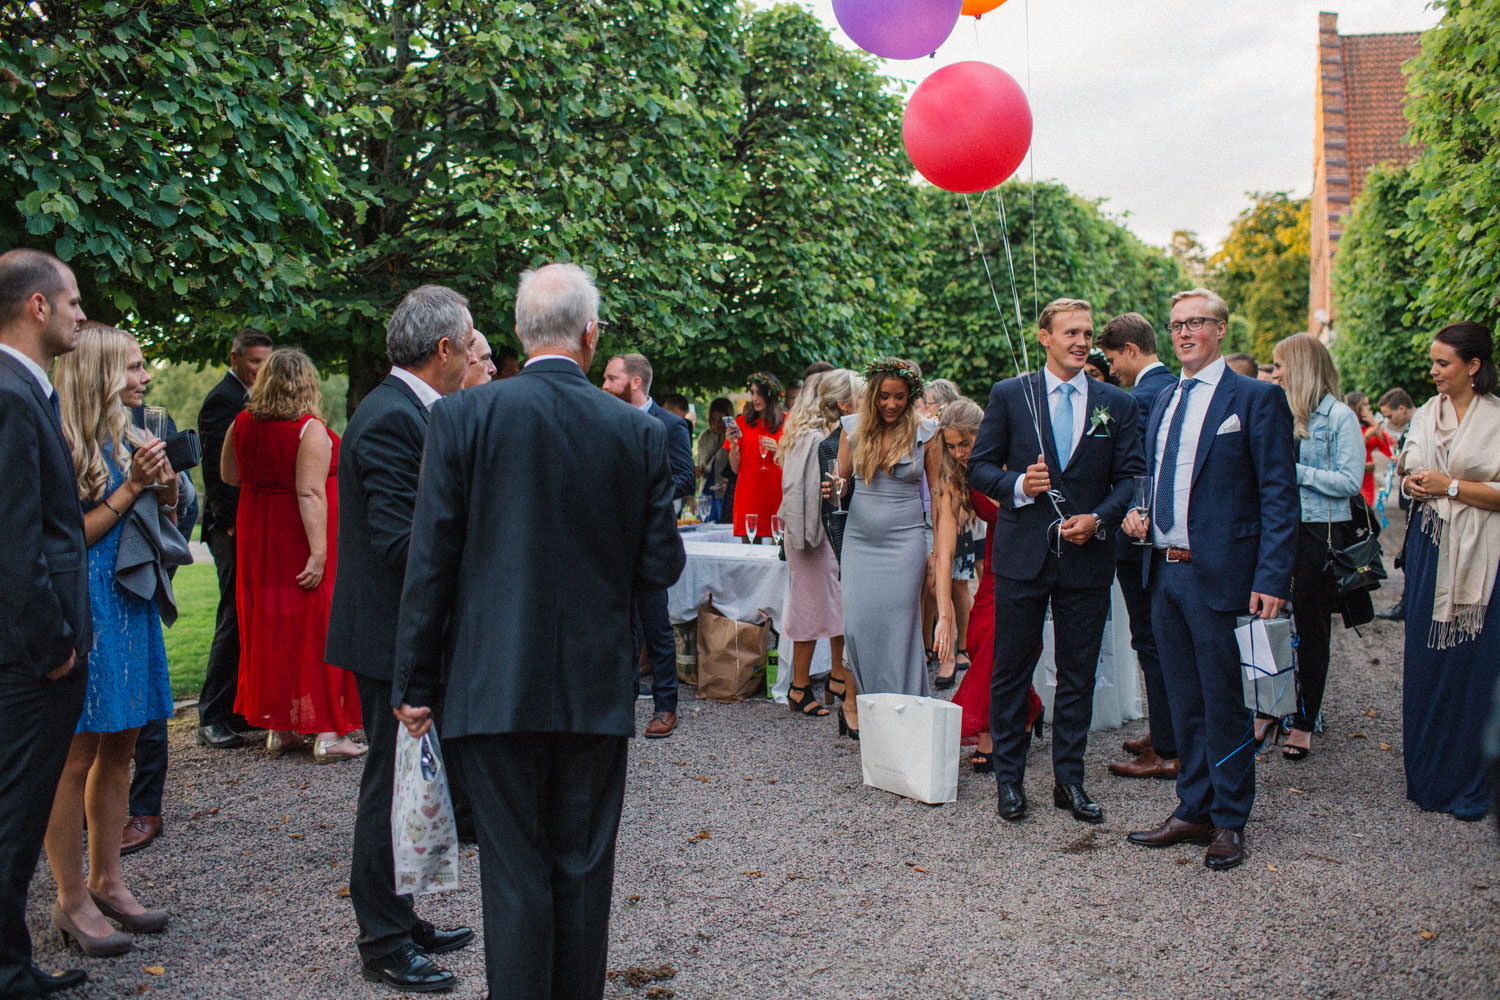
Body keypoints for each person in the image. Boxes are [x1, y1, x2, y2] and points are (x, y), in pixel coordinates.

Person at [391, 263, 683, 1000]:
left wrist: (414, 682)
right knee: (583, 868)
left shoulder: (461, 418)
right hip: (592, 681)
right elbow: (660, 565)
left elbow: (432, 563)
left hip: (492, 679)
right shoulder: (636, 431)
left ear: (520, 334)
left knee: (514, 872)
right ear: (591, 335)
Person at [324, 285, 476, 992]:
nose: (477, 351)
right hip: (389, 633)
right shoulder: (390, 419)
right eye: (469, 340)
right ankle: (381, 939)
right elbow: (396, 539)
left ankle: (400, 914)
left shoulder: (413, 410)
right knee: (388, 785)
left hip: (402, 629)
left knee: (408, 781)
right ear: (442, 348)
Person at [1122, 287, 1298, 871]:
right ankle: (1192, 807)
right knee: (1183, 699)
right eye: (1175, 324)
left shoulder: (1255, 398)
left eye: (1195, 322)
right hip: (1164, 573)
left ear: (1221, 329)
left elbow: (1279, 496)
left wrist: (1273, 576)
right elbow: (1155, 474)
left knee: (1225, 701)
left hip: (1223, 576)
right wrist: (1140, 514)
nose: (1183, 332)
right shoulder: (1167, 398)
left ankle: (1229, 819)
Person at [967, 298, 1144, 825]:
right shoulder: (1009, 394)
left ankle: (1070, 780)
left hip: (1087, 559)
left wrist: (1100, 519)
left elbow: (1132, 477)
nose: (1082, 341)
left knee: (1078, 674)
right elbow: (978, 467)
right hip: (1022, 554)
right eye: (1070, 332)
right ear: (1044, 337)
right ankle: (1010, 780)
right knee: (1011, 669)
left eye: (1087, 333)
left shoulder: (1118, 402)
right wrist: (1018, 485)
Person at [46, 322, 179, 957]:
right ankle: (70, 898)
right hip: (86, 604)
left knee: (122, 748)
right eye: (131, 367)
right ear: (97, 372)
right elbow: (68, 539)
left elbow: (165, 526)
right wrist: (130, 489)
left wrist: (169, 491)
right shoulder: (59, 438)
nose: (144, 376)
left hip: (130, 605)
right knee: (75, 757)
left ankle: (109, 881)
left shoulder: (132, 434)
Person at [0, 248, 92, 998]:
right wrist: (54, 647)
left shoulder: (24, 390)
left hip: (33, 654)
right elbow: (15, 542)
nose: (81, 314)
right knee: (14, 816)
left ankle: (13, 958)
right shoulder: (8, 393)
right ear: (36, 306)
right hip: (29, 660)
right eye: (72, 302)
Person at [223, 349, 363, 761]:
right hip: (300, 537)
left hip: (259, 535)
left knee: (272, 625)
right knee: (318, 625)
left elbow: (230, 475)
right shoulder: (308, 429)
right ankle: (328, 732)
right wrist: (319, 552)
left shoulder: (242, 423)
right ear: (306, 382)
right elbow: (309, 491)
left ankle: (281, 727)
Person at [1398, 321, 1500, 821]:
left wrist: (1450, 487)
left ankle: (1470, 779)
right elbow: (1410, 466)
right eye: (1433, 362)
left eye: (1443, 363)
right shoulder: (1424, 415)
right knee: (1427, 663)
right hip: (1430, 547)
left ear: (1473, 366)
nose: (1433, 371)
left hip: (1484, 559)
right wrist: (1416, 483)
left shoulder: (1498, 419)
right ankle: (1428, 775)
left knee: (1475, 668)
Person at [831, 358, 943, 735]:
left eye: (899, 397)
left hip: (905, 542)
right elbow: (841, 483)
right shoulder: (853, 430)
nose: (891, 404)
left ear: (911, 396)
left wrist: (938, 551)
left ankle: (906, 718)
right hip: (860, 543)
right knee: (859, 628)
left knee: (901, 631)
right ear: (873, 394)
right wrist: (835, 487)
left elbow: (940, 495)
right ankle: (870, 708)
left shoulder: (927, 433)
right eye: (884, 397)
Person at [932, 398, 1043, 772]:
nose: (960, 452)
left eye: (967, 443)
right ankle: (1028, 710)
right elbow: (944, 550)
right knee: (979, 637)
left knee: (997, 638)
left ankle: (988, 730)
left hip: (1028, 558)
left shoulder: (1016, 458)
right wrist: (944, 610)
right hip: (995, 565)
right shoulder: (956, 478)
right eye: (951, 445)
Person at [1268, 333, 1364, 761]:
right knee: (1264, 617)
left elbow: (1349, 482)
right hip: (1278, 527)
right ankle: (1268, 707)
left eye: (1280, 365)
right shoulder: (1278, 411)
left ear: (1302, 366)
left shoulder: (1339, 417)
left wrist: (1296, 472)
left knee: (1310, 627)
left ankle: (1305, 720)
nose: (1274, 373)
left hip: (1318, 532)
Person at [1097, 311, 1181, 780]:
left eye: (1112, 359)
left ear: (1131, 350)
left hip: (1140, 539)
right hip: (1152, 538)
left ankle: (1166, 747)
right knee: (1154, 639)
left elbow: (1139, 470)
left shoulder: (1144, 398)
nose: (1111, 371)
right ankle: (1163, 729)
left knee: (1151, 640)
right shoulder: (1166, 387)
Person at [602, 352, 693, 739]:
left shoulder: (670, 426)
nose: (603, 385)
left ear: (635, 382)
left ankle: (665, 706)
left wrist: (645, 499)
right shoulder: (604, 419)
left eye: (610, 378)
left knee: (656, 625)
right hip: (611, 540)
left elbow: (685, 479)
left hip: (652, 540)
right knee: (619, 625)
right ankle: (620, 703)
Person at [195, 328, 273, 749]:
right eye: (255, 362)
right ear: (236, 357)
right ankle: (212, 714)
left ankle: (240, 708)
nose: (261, 370)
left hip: (252, 522)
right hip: (230, 524)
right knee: (233, 614)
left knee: (250, 614)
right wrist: (228, 521)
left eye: (266, 361)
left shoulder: (254, 398)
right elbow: (217, 468)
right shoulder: (223, 400)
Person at [775, 369, 847, 718]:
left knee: (837, 605)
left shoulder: (823, 434)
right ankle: (798, 686)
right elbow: (799, 495)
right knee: (808, 609)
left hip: (822, 534)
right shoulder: (812, 438)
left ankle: (838, 676)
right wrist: (806, 538)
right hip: (810, 536)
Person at [725, 372, 785, 542]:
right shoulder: (742, 422)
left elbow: (797, 460)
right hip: (749, 492)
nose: (755, 398)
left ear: (770, 395)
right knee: (749, 548)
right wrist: (734, 445)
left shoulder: (787, 422)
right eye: (752, 393)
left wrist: (779, 450)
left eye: (759, 393)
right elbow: (735, 468)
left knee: (780, 548)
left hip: (777, 492)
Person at [1377, 388, 1417, 621]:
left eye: (1390, 416)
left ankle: (1407, 604)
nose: (1389, 422)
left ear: (1402, 408)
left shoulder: (1421, 425)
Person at [1347, 390, 1394, 507]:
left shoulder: (1369, 427)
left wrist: (1374, 423)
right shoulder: (1348, 426)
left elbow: (1388, 449)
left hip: (1367, 480)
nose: (1369, 407)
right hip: (1352, 477)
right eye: (1365, 404)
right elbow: (1349, 451)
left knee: (1367, 514)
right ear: (1354, 407)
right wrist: (1366, 437)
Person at [697, 397, 735, 523]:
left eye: (721, 420)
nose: (717, 424)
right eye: (713, 419)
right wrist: (699, 469)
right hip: (706, 489)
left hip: (723, 491)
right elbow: (701, 461)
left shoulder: (733, 438)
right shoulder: (705, 436)